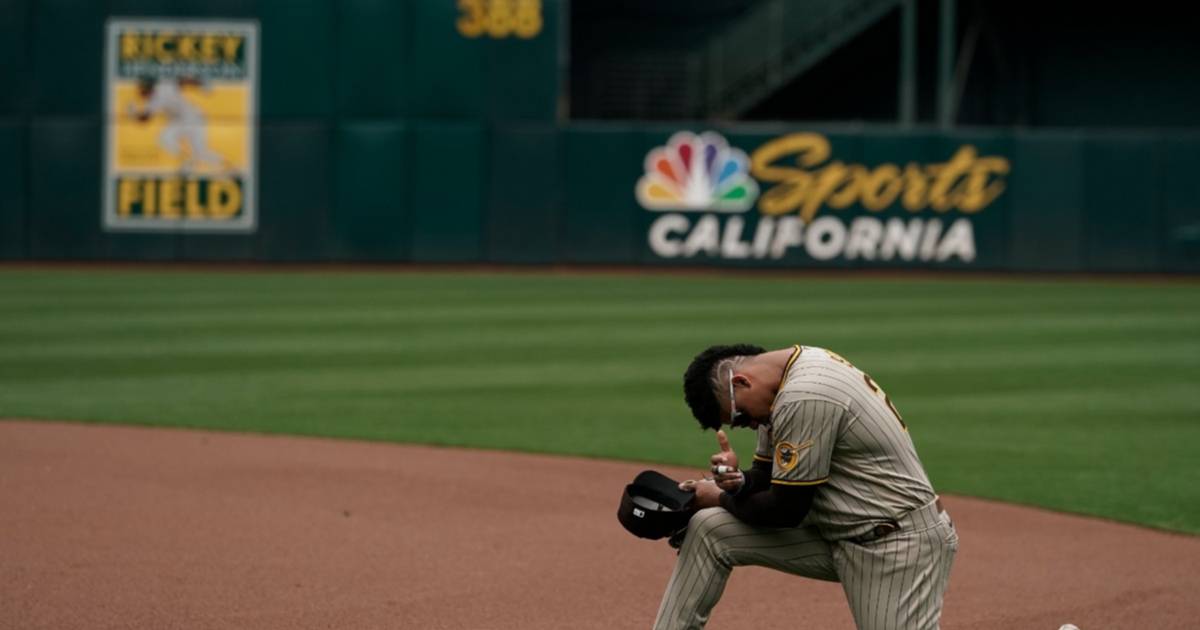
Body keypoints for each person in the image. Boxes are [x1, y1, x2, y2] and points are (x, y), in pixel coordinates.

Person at [654, 343, 958, 630]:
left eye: (740, 416)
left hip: (895, 543)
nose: (749, 425)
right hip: (835, 533)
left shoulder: (805, 396)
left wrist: (718, 497)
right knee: (710, 529)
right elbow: (766, 475)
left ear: (742, 382)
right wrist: (736, 483)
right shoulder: (784, 382)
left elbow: (785, 509)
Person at [128, 76, 230, 173]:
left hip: (193, 119)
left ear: (149, 87)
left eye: (142, 88)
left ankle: (226, 166)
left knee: (201, 153)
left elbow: (183, 81)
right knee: (164, 139)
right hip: (179, 122)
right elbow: (145, 119)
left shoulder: (163, 89)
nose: (140, 91)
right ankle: (188, 161)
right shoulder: (154, 98)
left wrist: (201, 83)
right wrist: (201, 84)